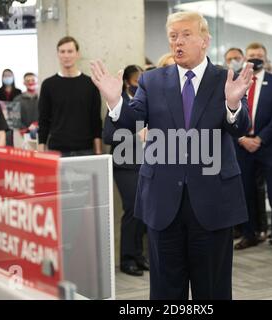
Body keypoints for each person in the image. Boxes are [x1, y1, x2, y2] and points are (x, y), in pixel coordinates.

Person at [91, 11, 252, 300]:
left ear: (205, 40)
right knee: (166, 290)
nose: (178, 42)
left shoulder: (224, 80)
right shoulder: (152, 80)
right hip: (163, 201)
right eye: (173, 36)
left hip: (213, 200)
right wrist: (116, 101)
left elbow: (241, 127)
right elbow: (130, 122)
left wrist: (232, 105)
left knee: (213, 290)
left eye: (186, 35)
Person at [233, 43, 272, 254]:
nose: (255, 58)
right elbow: (227, 111)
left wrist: (261, 138)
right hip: (242, 145)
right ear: (245, 58)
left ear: (265, 58)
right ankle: (249, 234)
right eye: (252, 55)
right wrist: (242, 137)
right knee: (245, 193)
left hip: (269, 145)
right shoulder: (235, 81)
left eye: (259, 55)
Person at [103, 65, 149, 277]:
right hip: (126, 164)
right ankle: (127, 259)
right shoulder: (118, 101)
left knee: (144, 212)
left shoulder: (149, 100)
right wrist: (137, 137)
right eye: (138, 79)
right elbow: (108, 136)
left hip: (148, 163)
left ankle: (139, 256)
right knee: (132, 209)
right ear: (129, 81)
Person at [38, 36, 103, 156]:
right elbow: (43, 120)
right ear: (58, 54)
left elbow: (96, 120)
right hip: (57, 149)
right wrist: (41, 150)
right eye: (62, 52)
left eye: (70, 51)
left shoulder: (90, 84)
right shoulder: (48, 85)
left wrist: (98, 151)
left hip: (85, 149)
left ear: (77, 54)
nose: (66, 55)